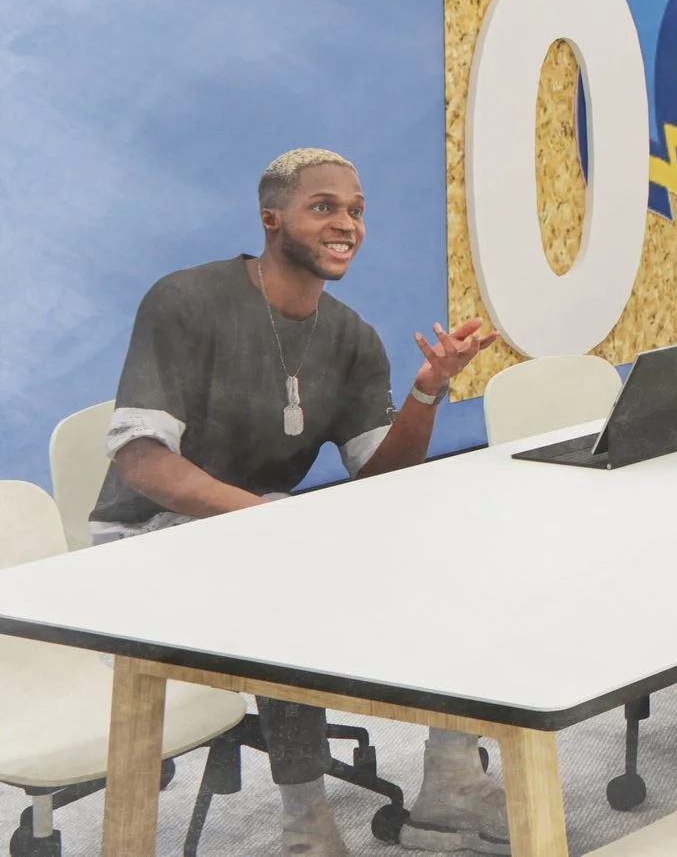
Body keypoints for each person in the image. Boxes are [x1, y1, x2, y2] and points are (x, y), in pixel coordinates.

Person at [90, 149, 503, 857]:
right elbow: (143, 461)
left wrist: (428, 389)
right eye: (325, 207)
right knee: (289, 588)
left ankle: (450, 786)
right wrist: (269, 521)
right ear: (271, 219)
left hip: (267, 530)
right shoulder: (185, 301)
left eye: (356, 210)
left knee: (459, 549)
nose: (347, 223)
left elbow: (381, 471)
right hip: (146, 544)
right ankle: (305, 827)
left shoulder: (351, 337)